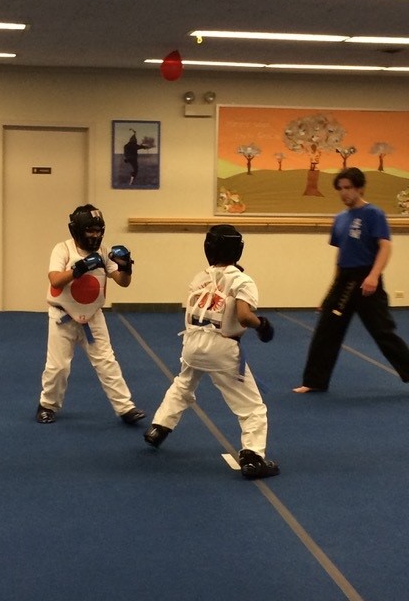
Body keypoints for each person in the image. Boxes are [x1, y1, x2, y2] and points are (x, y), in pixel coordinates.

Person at [144, 225, 280, 480]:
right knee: (252, 407)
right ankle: (253, 457)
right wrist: (262, 326)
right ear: (239, 250)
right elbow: (243, 315)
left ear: (208, 248)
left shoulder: (200, 277)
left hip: (192, 342)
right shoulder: (242, 280)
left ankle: (159, 427)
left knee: (183, 384)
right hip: (222, 347)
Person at [294, 167, 409, 394]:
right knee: (326, 330)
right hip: (345, 280)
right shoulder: (340, 219)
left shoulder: (374, 214)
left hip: (366, 277)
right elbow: (341, 255)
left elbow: (385, 246)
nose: (344, 193)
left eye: (348, 188)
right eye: (340, 189)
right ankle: (315, 381)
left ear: (360, 188)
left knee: (383, 332)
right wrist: (330, 293)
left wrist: (374, 276)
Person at [36, 204, 146, 424]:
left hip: (93, 316)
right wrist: (80, 268)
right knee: (58, 366)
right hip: (62, 316)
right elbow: (55, 280)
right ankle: (47, 405)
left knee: (107, 362)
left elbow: (123, 283)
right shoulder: (63, 249)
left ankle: (125, 408)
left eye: (98, 230)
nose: (95, 236)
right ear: (77, 230)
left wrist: (126, 267)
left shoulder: (104, 252)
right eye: (90, 231)